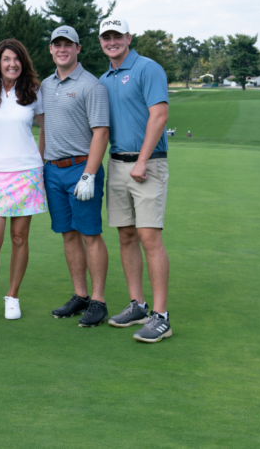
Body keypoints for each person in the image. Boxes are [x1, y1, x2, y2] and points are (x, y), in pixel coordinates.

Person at [98, 18, 173, 343]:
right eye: (106, 37)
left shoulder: (147, 68)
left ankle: (161, 316)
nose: (112, 41)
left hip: (148, 164)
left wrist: (141, 161)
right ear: (101, 42)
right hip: (116, 164)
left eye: (117, 36)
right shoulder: (104, 78)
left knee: (148, 237)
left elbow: (159, 115)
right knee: (126, 235)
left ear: (128, 38)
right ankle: (137, 305)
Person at [38, 25, 112, 328]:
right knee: (68, 234)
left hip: (81, 169)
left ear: (78, 48)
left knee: (90, 234)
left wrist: (89, 174)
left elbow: (101, 132)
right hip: (52, 170)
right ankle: (80, 295)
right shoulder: (45, 85)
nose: (62, 49)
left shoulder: (91, 85)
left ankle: (99, 300)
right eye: (57, 44)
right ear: (51, 49)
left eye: (68, 44)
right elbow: (44, 129)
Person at [0, 39, 47, 322]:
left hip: (27, 173)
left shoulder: (32, 90)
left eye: (16, 59)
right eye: (6, 59)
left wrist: (38, 162)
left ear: (23, 62)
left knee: (19, 237)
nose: (12, 63)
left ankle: (12, 296)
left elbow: (44, 129)